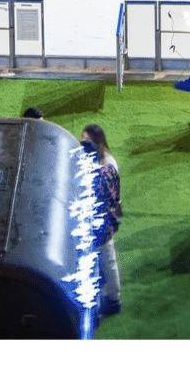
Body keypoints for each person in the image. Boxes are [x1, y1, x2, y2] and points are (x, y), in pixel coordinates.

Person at [80, 123, 122, 317]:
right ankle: (112, 298)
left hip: (97, 223)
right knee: (106, 260)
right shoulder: (107, 163)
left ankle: (103, 303)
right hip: (104, 221)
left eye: (86, 142)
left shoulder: (99, 170)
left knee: (99, 263)